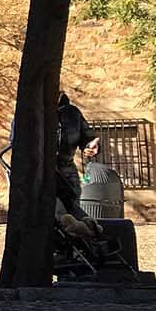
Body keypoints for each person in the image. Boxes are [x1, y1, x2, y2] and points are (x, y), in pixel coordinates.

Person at [56, 92, 101, 235]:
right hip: (40, 170)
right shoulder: (31, 112)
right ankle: (69, 225)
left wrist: (91, 145)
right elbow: (16, 140)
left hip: (66, 170)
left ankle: (87, 227)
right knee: (55, 208)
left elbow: (87, 137)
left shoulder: (72, 113)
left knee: (73, 205)